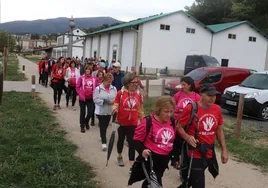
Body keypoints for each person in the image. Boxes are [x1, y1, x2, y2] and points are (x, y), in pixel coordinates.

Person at [177, 83, 228, 188]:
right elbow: (179, 127)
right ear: (201, 94)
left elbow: (219, 130)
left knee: (189, 182)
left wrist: (224, 149)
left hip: (208, 152)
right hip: (194, 153)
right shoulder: (191, 108)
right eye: (209, 95)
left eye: (214, 95)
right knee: (198, 183)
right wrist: (187, 137)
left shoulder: (217, 109)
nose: (212, 98)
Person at [131, 96, 179, 188]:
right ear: (159, 110)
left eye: (171, 111)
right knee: (155, 184)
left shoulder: (172, 121)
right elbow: (135, 140)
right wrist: (142, 151)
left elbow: (174, 140)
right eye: (166, 111)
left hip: (164, 160)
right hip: (151, 160)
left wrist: (175, 157)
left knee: (151, 182)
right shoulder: (148, 121)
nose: (169, 114)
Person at [112, 73, 144, 173]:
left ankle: (132, 164)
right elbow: (116, 104)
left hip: (133, 123)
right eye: (133, 82)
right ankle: (119, 155)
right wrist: (115, 109)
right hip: (121, 122)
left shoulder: (138, 94)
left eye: (136, 82)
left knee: (132, 143)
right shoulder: (120, 93)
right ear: (127, 83)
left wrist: (143, 121)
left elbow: (140, 109)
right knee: (120, 140)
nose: (135, 84)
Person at [93, 73, 117, 151]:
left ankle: (102, 135)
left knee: (106, 125)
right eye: (108, 82)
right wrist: (103, 101)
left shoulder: (114, 89)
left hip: (109, 111)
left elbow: (116, 99)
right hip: (101, 111)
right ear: (104, 80)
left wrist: (113, 102)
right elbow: (95, 99)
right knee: (103, 126)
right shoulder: (98, 89)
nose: (109, 84)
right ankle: (104, 143)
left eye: (111, 82)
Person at [76, 64, 97, 133]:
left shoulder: (94, 78)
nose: (87, 70)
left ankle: (86, 121)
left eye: (89, 69)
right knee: (83, 112)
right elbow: (77, 86)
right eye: (86, 69)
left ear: (91, 71)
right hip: (83, 98)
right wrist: (80, 94)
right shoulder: (81, 78)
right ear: (85, 70)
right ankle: (82, 126)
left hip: (90, 98)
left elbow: (96, 87)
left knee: (90, 112)